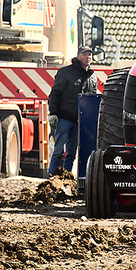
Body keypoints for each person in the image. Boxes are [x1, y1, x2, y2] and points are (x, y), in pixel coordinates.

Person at [48, 46, 97, 175]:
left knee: (72, 153)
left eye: (90, 55)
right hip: (64, 119)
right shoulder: (66, 72)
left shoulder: (92, 77)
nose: (88, 57)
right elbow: (55, 94)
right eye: (85, 55)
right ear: (78, 56)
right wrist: (53, 113)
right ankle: (52, 177)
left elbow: (92, 99)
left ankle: (66, 177)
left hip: (79, 122)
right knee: (58, 150)